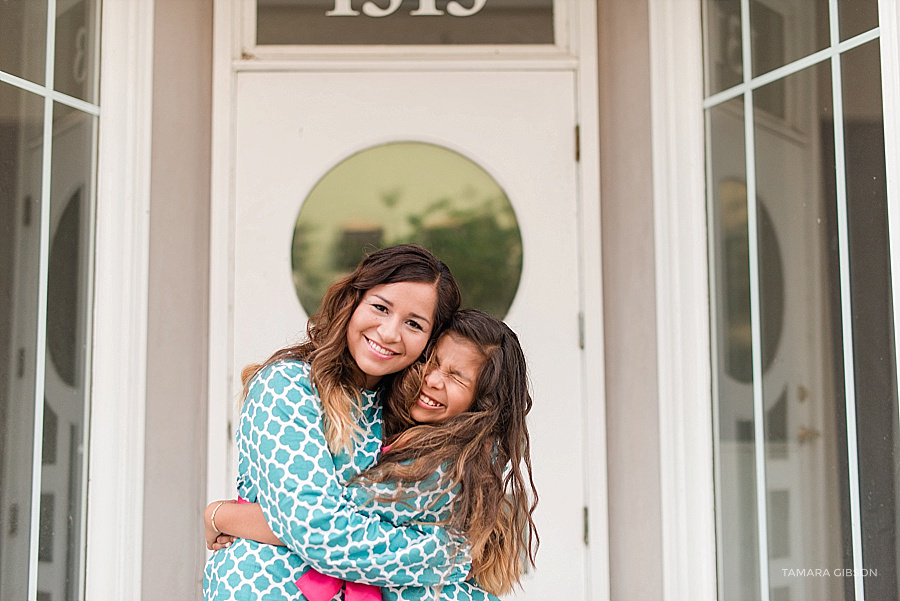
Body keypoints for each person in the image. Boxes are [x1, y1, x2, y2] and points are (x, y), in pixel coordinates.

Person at [207, 310, 539, 599]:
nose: (434, 380)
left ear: (482, 403)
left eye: (456, 377)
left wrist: (223, 516)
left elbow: (321, 521)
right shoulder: (405, 431)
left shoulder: (447, 463)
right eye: (432, 362)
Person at [203, 244, 472, 600]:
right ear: (353, 301)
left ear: (428, 342)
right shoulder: (287, 387)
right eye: (380, 307)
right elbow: (318, 531)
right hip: (267, 586)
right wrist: (447, 555)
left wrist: (228, 516)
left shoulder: (407, 413)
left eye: (413, 323)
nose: (390, 333)